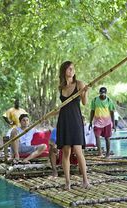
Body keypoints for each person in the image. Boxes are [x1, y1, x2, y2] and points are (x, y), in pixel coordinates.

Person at [56, 61, 90, 190]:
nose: (72, 70)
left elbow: (85, 103)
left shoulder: (79, 84)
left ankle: (85, 180)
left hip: (75, 120)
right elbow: (63, 106)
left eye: (73, 68)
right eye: (69, 68)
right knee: (66, 152)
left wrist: (85, 92)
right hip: (63, 120)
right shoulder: (61, 87)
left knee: (77, 150)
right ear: (64, 71)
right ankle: (67, 182)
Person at [89, 87, 115, 158]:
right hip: (97, 122)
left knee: (107, 138)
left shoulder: (109, 101)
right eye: (101, 93)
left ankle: (107, 154)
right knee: (97, 136)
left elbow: (112, 112)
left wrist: (114, 124)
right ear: (99, 93)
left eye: (104, 93)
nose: (102, 95)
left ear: (106, 93)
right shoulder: (94, 100)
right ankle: (100, 153)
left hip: (107, 122)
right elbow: (92, 111)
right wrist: (90, 122)